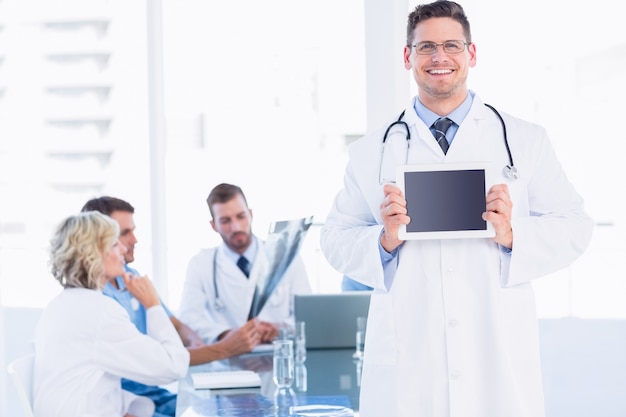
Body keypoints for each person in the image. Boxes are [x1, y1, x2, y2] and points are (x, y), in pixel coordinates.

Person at [319, 2, 594, 417]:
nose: (439, 57)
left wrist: (512, 234)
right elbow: (334, 239)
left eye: (451, 45)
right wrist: (383, 240)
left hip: (495, 361)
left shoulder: (524, 140)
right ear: (408, 56)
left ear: (472, 54)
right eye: (426, 46)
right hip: (409, 364)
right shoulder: (370, 151)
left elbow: (576, 227)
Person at [81, 196, 261, 417]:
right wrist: (225, 348)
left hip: (154, 393)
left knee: (228, 410)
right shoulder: (97, 301)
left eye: (133, 230)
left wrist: (195, 343)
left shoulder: (131, 277)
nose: (134, 239)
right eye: (124, 233)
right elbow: (162, 362)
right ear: (101, 240)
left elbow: (174, 325)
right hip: (125, 402)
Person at [33, 211, 189, 417]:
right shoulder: (99, 311)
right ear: (94, 254)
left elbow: (88, 382)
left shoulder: (58, 306)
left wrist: (127, 410)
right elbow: (173, 366)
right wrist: (153, 305)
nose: (123, 249)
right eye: (115, 244)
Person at [179, 183, 312, 344]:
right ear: (213, 225)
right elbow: (188, 320)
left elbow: (306, 315)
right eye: (225, 221)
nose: (236, 227)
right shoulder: (200, 264)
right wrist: (226, 334)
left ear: (250, 215)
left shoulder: (285, 257)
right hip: (228, 364)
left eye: (241, 216)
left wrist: (279, 329)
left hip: (276, 359)